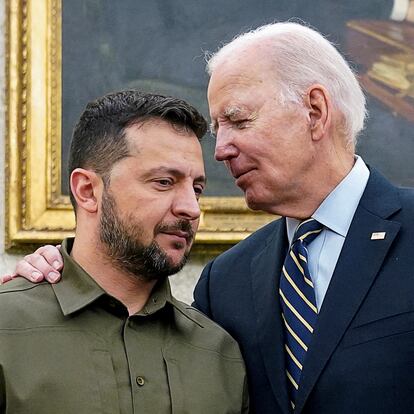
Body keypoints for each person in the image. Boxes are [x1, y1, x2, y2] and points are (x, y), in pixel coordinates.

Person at [6, 22, 414, 414]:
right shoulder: (228, 281)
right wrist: (51, 281)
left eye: (237, 120)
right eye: (218, 127)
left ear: (314, 111)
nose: (221, 150)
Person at [0, 91, 248, 413]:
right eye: (163, 182)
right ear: (88, 191)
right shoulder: (8, 329)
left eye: (196, 189)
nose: (191, 208)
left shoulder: (220, 353)